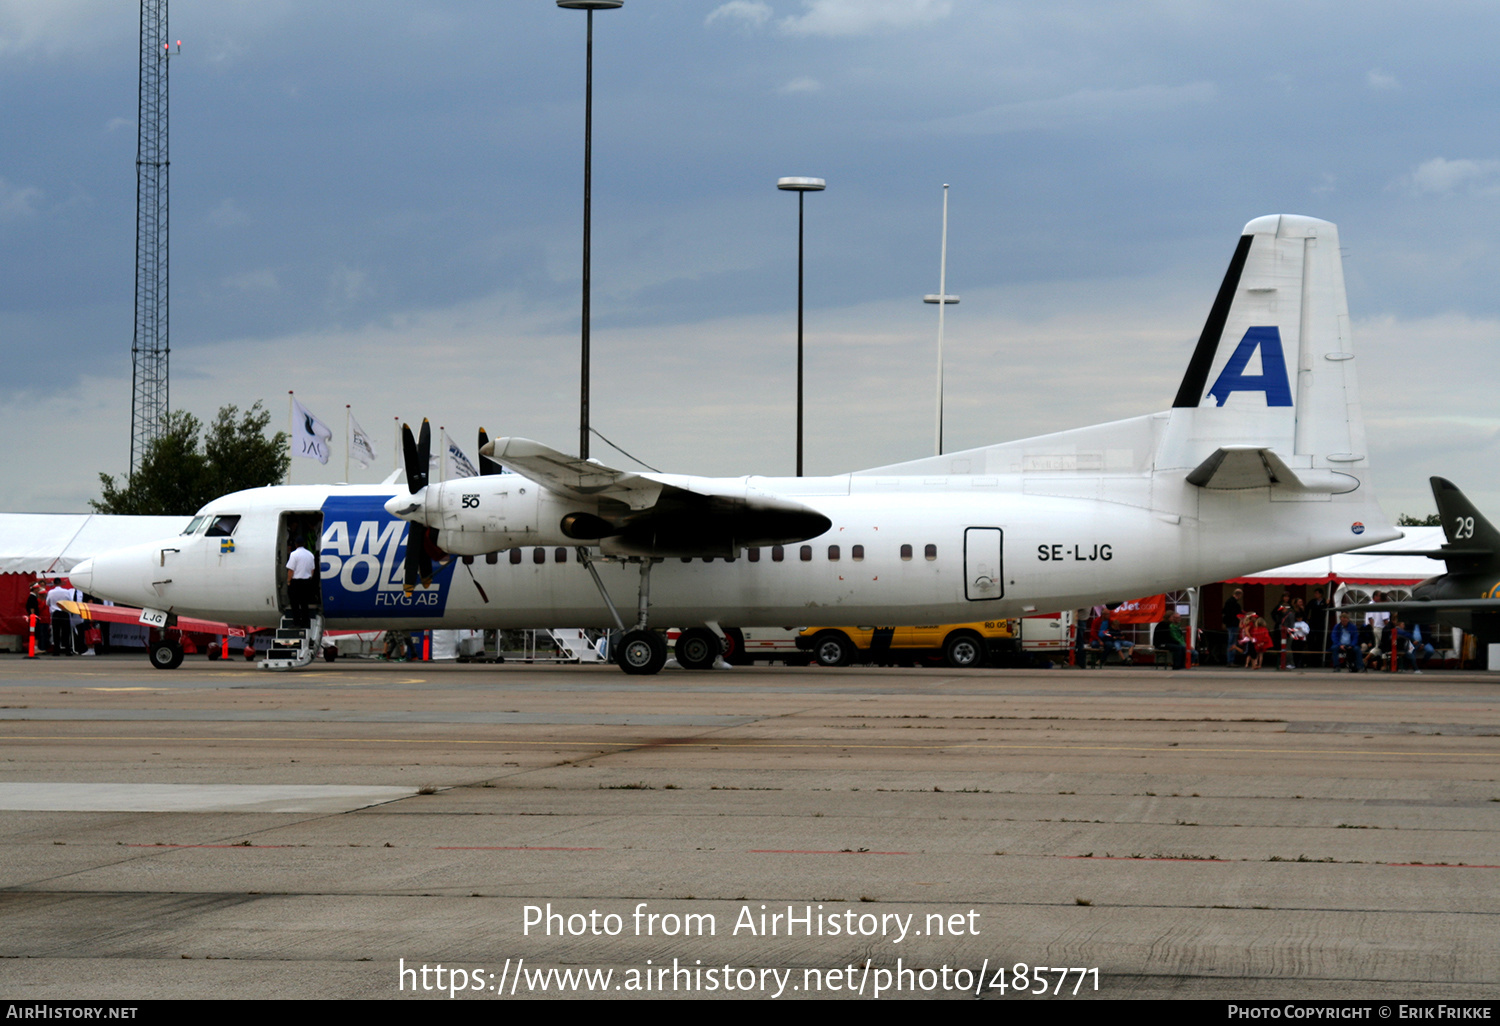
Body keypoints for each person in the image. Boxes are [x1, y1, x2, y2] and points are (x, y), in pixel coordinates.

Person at [285, 536, 317, 627]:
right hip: (306, 581)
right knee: (304, 603)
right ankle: (306, 622)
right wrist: (310, 578)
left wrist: (288, 581)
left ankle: (297, 622)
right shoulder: (310, 554)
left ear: (296, 544)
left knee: (295, 604)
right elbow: (312, 570)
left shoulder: (294, 554)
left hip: (296, 582)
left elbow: (291, 570)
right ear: (304, 544)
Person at [45, 578, 73, 656]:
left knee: (56, 633)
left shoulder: (51, 592)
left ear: (54, 583)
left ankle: (56, 650)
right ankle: (68, 650)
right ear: (60, 583)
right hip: (64, 612)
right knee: (66, 632)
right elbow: (70, 601)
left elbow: (47, 603)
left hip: (55, 613)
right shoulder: (66, 591)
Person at [1221, 588, 1244, 665]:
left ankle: (1230, 660)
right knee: (1232, 643)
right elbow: (1236, 614)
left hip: (1229, 624)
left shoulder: (1228, 602)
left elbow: (1224, 611)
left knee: (1231, 642)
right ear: (1239, 595)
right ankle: (1230, 660)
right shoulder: (1234, 604)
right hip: (1233, 624)